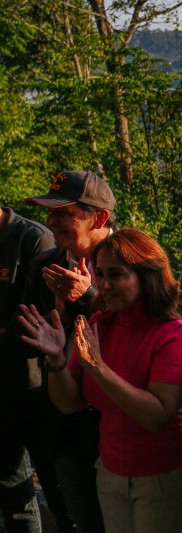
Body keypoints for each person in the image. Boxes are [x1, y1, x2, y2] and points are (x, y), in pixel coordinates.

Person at [19, 228, 182, 533]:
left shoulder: (171, 333)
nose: (104, 284)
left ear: (146, 277)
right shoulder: (100, 323)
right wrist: (55, 361)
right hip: (111, 473)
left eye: (117, 274)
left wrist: (99, 368)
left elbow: (158, 415)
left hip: (167, 475)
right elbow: (69, 403)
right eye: (101, 273)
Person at [19, 169, 118, 532]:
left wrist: (89, 297)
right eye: (49, 212)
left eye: (62, 213)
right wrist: (58, 315)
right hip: (64, 426)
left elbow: (153, 328)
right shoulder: (46, 265)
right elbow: (25, 332)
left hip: (122, 423)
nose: (50, 222)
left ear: (100, 218)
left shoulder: (135, 262)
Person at [0, 206, 54, 532]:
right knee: (12, 493)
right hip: (3, 392)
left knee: (58, 494)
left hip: (38, 391)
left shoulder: (33, 239)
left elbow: (43, 319)